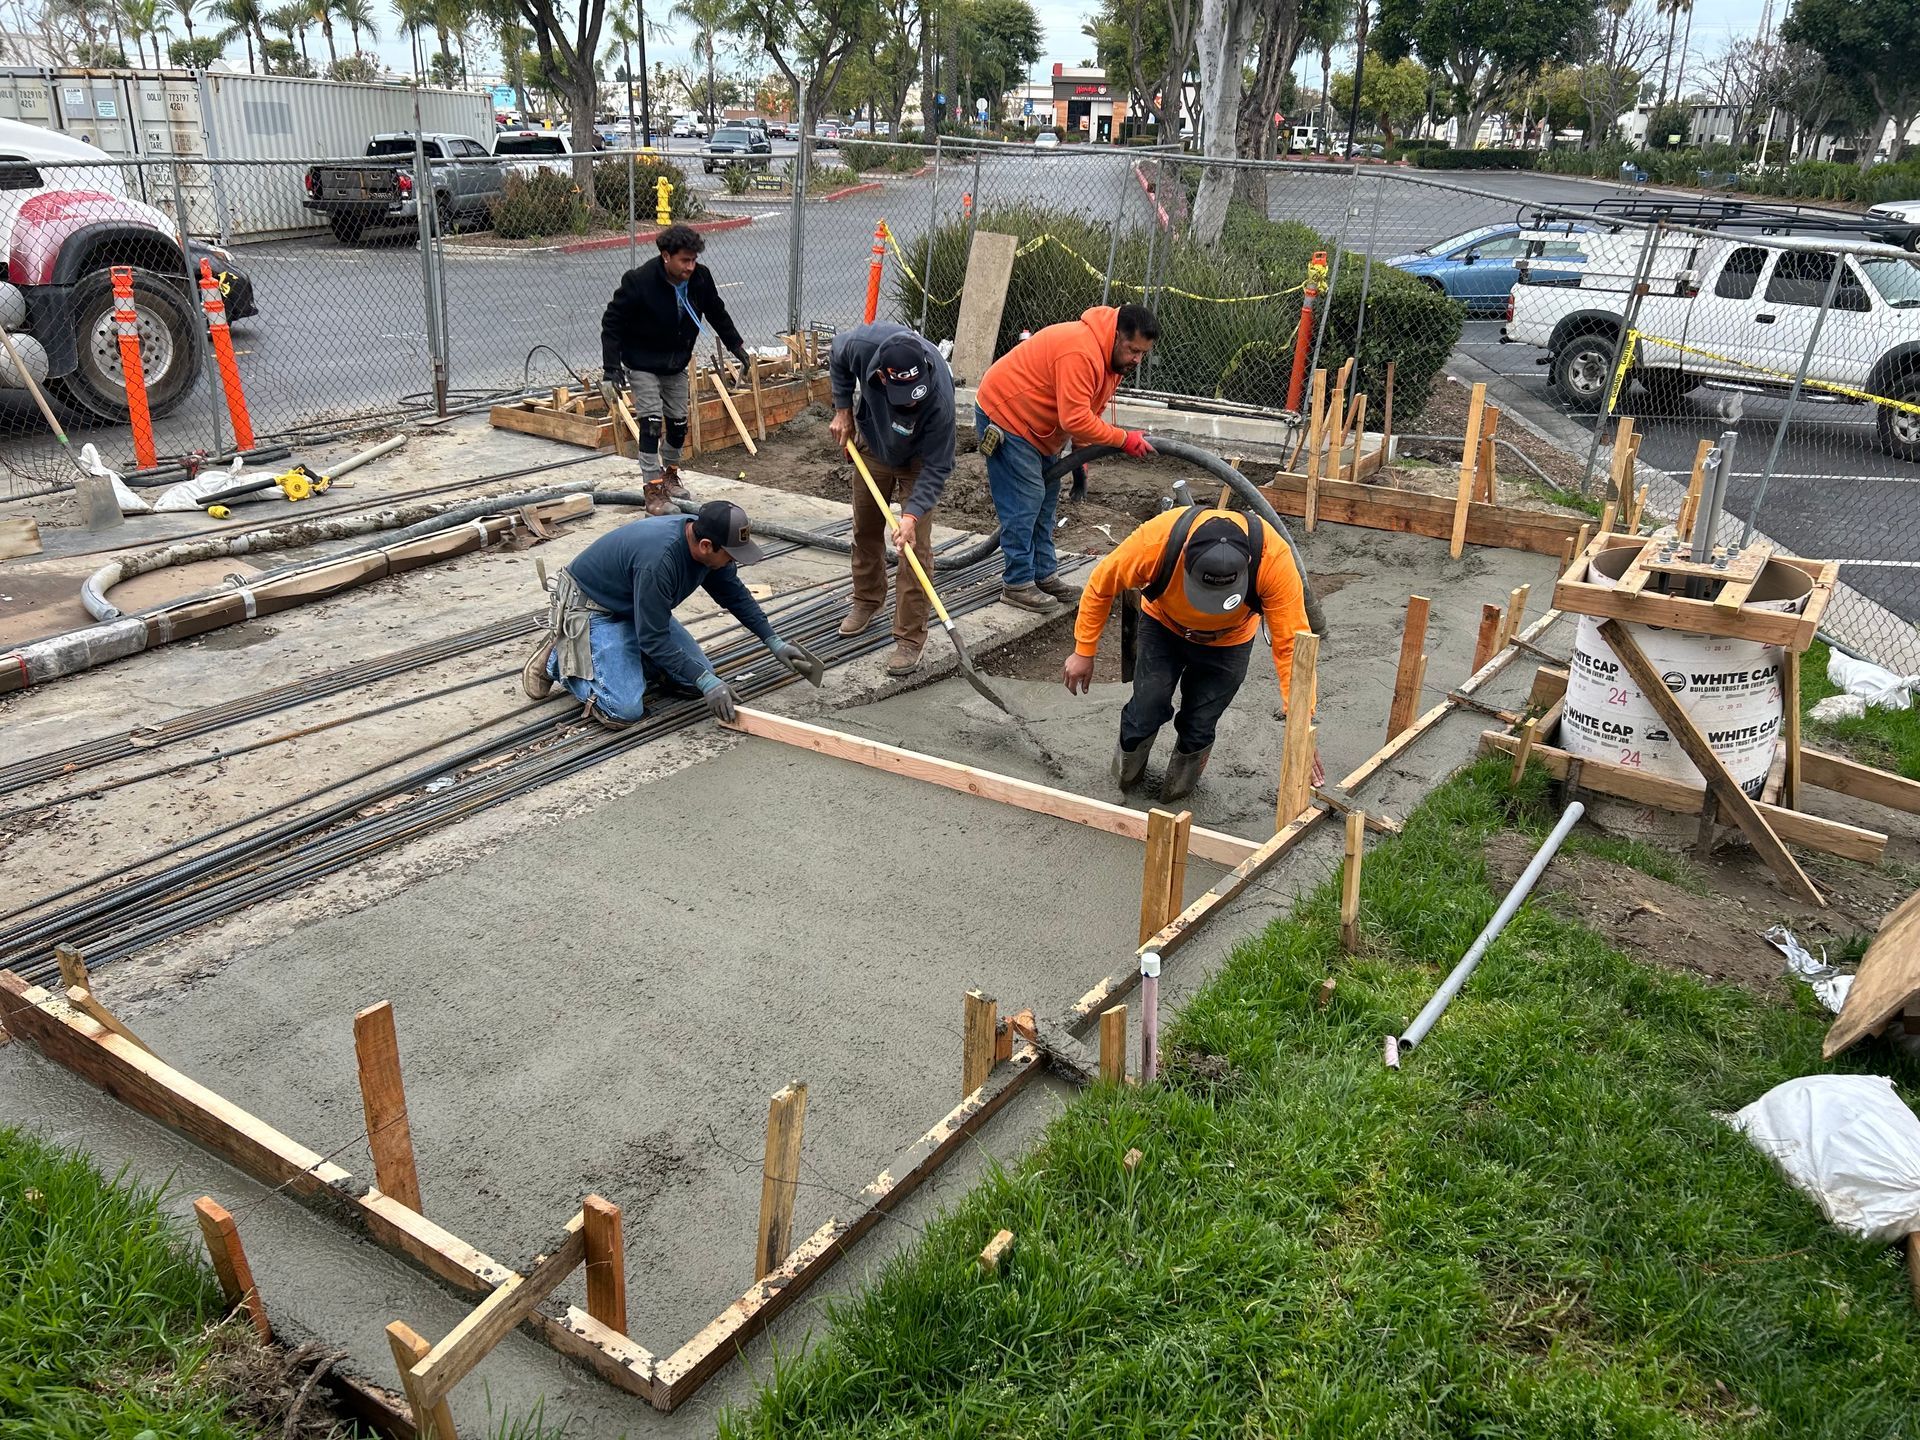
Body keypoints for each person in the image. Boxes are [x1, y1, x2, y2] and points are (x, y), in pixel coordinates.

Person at [1064, 505, 1317, 802]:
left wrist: (1302, 723)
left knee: (1200, 723)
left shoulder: (1272, 559)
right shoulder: (1154, 543)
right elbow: (1100, 584)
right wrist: (1084, 650)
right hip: (1163, 628)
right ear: (1185, 552)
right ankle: (1124, 780)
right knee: (1147, 706)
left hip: (1230, 641)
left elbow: (1292, 644)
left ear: (1247, 562)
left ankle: (1176, 795)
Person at [522, 500, 822, 727]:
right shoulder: (659, 562)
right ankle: (557, 659)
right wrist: (708, 682)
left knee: (693, 683)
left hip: (637, 606)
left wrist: (773, 640)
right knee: (623, 709)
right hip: (593, 608)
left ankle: (619, 659)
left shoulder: (708, 547)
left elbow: (734, 595)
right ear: (706, 546)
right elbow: (654, 638)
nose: (733, 562)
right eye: (730, 555)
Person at [973, 303, 1160, 612]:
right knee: (1027, 499)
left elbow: (1090, 411)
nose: (1136, 360)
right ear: (1116, 336)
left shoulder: (1112, 363)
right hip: (1006, 414)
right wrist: (1124, 439)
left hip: (1040, 426)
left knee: (1046, 500)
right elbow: (1075, 419)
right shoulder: (1081, 352)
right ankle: (1017, 583)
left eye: (1142, 353)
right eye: (1132, 350)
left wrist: (1080, 461)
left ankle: (1044, 575)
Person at [826, 321, 957, 676]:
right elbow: (836, 355)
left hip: (919, 462)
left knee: (914, 549)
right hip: (873, 443)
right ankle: (867, 600)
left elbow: (938, 467)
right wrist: (843, 410)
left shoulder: (941, 399)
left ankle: (909, 637)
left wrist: (911, 516)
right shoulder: (863, 345)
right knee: (865, 528)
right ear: (883, 377)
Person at [600, 224, 751, 515]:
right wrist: (611, 368)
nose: (691, 267)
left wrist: (737, 347)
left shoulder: (700, 279)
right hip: (642, 361)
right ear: (666, 256)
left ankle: (669, 474)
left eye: (694, 260)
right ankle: (653, 490)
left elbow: (717, 313)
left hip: (676, 362)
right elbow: (612, 323)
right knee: (652, 423)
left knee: (678, 425)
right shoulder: (639, 282)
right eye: (685, 260)